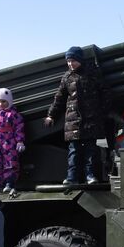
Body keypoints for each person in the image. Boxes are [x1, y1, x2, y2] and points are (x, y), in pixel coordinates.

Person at [45, 46, 110, 185]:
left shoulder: (93, 73)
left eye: (73, 60)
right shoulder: (67, 77)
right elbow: (59, 98)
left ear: (80, 59)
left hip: (91, 119)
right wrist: (51, 115)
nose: (70, 64)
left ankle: (90, 176)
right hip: (73, 120)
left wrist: (102, 112)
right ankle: (71, 177)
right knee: (74, 151)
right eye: (68, 61)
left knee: (91, 151)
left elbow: (104, 93)